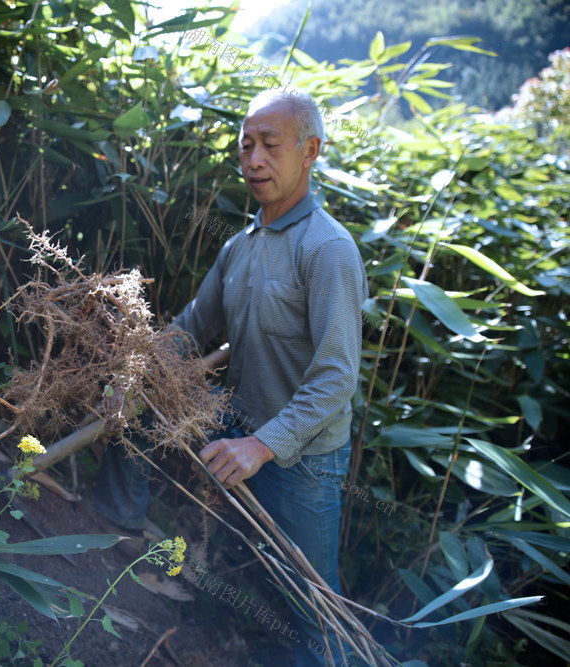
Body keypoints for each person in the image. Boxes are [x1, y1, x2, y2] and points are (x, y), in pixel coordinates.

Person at [94, 88, 367, 666]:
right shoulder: (240, 247)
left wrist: (261, 446)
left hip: (302, 458)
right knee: (140, 409)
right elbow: (192, 327)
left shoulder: (328, 250)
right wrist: (136, 373)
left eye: (270, 145)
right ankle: (116, 534)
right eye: (246, 146)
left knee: (314, 604)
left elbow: (337, 379)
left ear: (310, 150)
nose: (254, 159)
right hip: (237, 419)